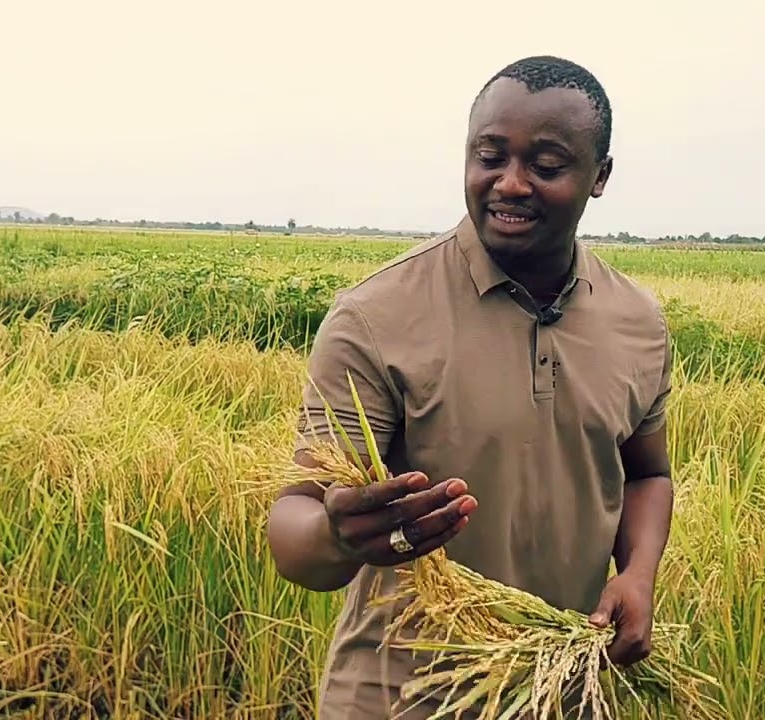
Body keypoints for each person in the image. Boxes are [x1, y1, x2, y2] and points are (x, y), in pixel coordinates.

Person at [267, 55, 675, 719]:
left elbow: (646, 474)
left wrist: (636, 575)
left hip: (560, 689)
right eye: (490, 156)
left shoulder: (638, 322)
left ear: (599, 176)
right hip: (401, 697)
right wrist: (338, 537)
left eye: (545, 166)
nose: (510, 184)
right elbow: (294, 527)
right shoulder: (376, 317)